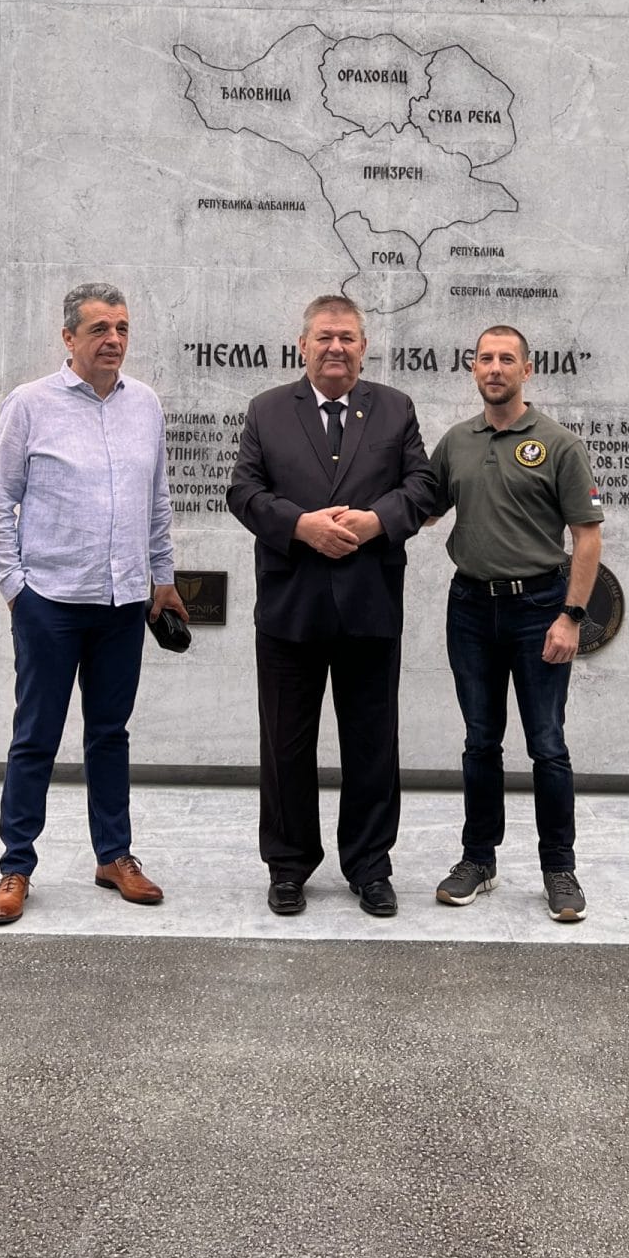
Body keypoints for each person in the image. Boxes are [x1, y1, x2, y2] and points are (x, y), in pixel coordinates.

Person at [0, 283, 186, 927]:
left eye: (121, 328)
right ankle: (16, 866)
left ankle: (114, 856)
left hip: (123, 603)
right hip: (51, 601)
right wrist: (15, 588)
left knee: (109, 735)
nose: (113, 340)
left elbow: (156, 501)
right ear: (69, 338)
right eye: (99, 329)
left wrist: (162, 577)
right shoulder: (30, 404)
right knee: (35, 737)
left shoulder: (144, 404)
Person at [227, 293, 435, 919]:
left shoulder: (395, 408)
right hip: (290, 608)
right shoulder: (267, 410)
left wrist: (376, 522)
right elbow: (243, 491)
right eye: (324, 337)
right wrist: (300, 526)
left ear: (364, 348)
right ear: (303, 346)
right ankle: (288, 865)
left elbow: (422, 487)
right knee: (285, 745)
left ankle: (370, 866)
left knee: (372, 744)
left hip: (370, 606)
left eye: (347, 338)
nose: (336, 347)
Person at [426, 325, 604, 924]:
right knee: (480, 740)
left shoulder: (558, 444)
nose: (495, 368)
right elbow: (423, 509)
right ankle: (479, 859)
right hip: (470, 608)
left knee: (547, 745)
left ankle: (560, 868)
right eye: (486, 358)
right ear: (473, 368)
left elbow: (587, 537)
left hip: (539, 610)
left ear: (527, 370)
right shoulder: (456, 442)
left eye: (507, 359)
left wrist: (571, 617)